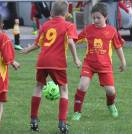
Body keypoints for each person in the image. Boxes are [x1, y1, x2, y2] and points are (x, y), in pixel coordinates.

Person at [21, 1, 81, 133]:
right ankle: (62, 123)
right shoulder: (69, 25)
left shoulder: (46, 25)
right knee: (64, 89)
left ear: (51, 13)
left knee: (38, 87)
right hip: (57, 62)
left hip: (42, 61)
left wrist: (27, 50)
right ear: (66, 13)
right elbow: (71, 42)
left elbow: (37, 44)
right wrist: (76, 58)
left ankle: (33, 120)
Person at [71, 3, 126, 121]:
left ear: (105, 17)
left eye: (98, 18)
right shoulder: (88, 29)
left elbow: (118, 47)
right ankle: (77, 112)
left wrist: (123, 61)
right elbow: (75, 40)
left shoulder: (111, 31)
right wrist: (66, 40)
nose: (95, 20)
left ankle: (111, 104)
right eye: (93, 17)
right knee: (82, 85)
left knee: (110, 91)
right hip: (89, 64)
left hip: (105, 65)